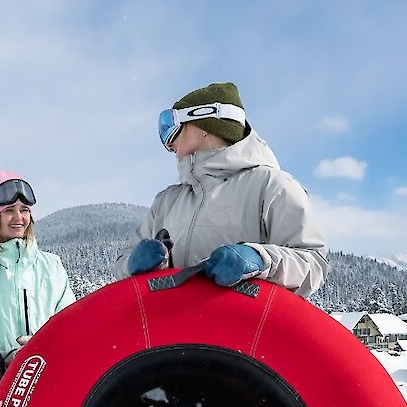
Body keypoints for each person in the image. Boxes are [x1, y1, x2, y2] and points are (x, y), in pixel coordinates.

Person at [127, 82, 326, 297]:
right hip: (172, 327)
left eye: (172, 126)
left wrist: (260, 259)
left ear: (204, 125)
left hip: (243, 327)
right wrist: (133, 264)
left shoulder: (271, 186)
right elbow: (123, 265)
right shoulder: (167, 201)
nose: (167, 141)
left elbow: (313, 264)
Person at [0, 171, 76, 400]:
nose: (18, 217)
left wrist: (49, 352)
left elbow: (68, 322)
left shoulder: (51, 267)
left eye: (24, 210)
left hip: (47, 379)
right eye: (9, 210)